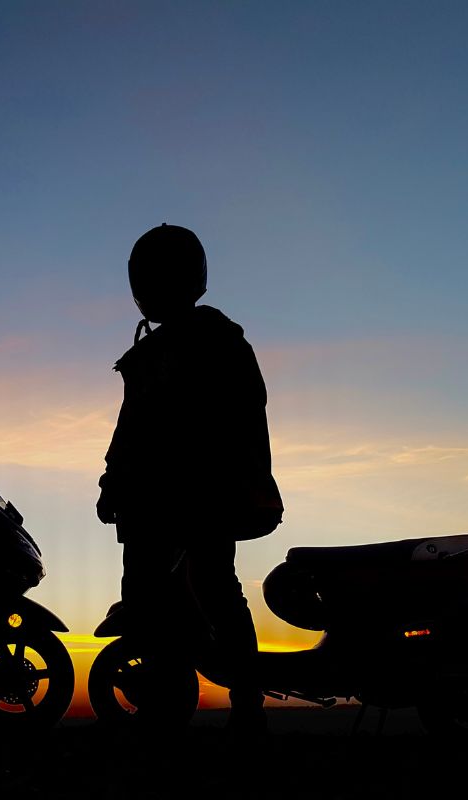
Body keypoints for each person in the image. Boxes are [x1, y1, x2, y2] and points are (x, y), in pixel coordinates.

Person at [96, 223, 282, 733]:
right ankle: (176, 705)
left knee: (213, 590)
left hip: (200, 498)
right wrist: (114, 482)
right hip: (157, 501)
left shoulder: (216, 343)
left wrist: (123, 480)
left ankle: (246, 706)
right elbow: (130, 426)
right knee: (156, 601)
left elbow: (237, 422)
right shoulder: (159, 352)